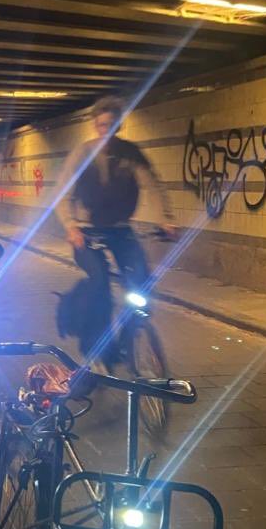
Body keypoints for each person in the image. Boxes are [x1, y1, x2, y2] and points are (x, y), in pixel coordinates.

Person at [53, 95, 176, 366]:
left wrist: (165, 219)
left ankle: (126, 344)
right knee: (100, 284)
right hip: (87, 233)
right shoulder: (83, 154)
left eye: (111, 125)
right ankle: (93, 347)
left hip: (120, 230)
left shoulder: (130, 153)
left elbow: (152, 184)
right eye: (101, 125)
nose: (106, 131)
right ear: (95, 126)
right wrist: (71, 226)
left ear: (119, 125)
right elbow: (63, 193)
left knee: (142, 284)